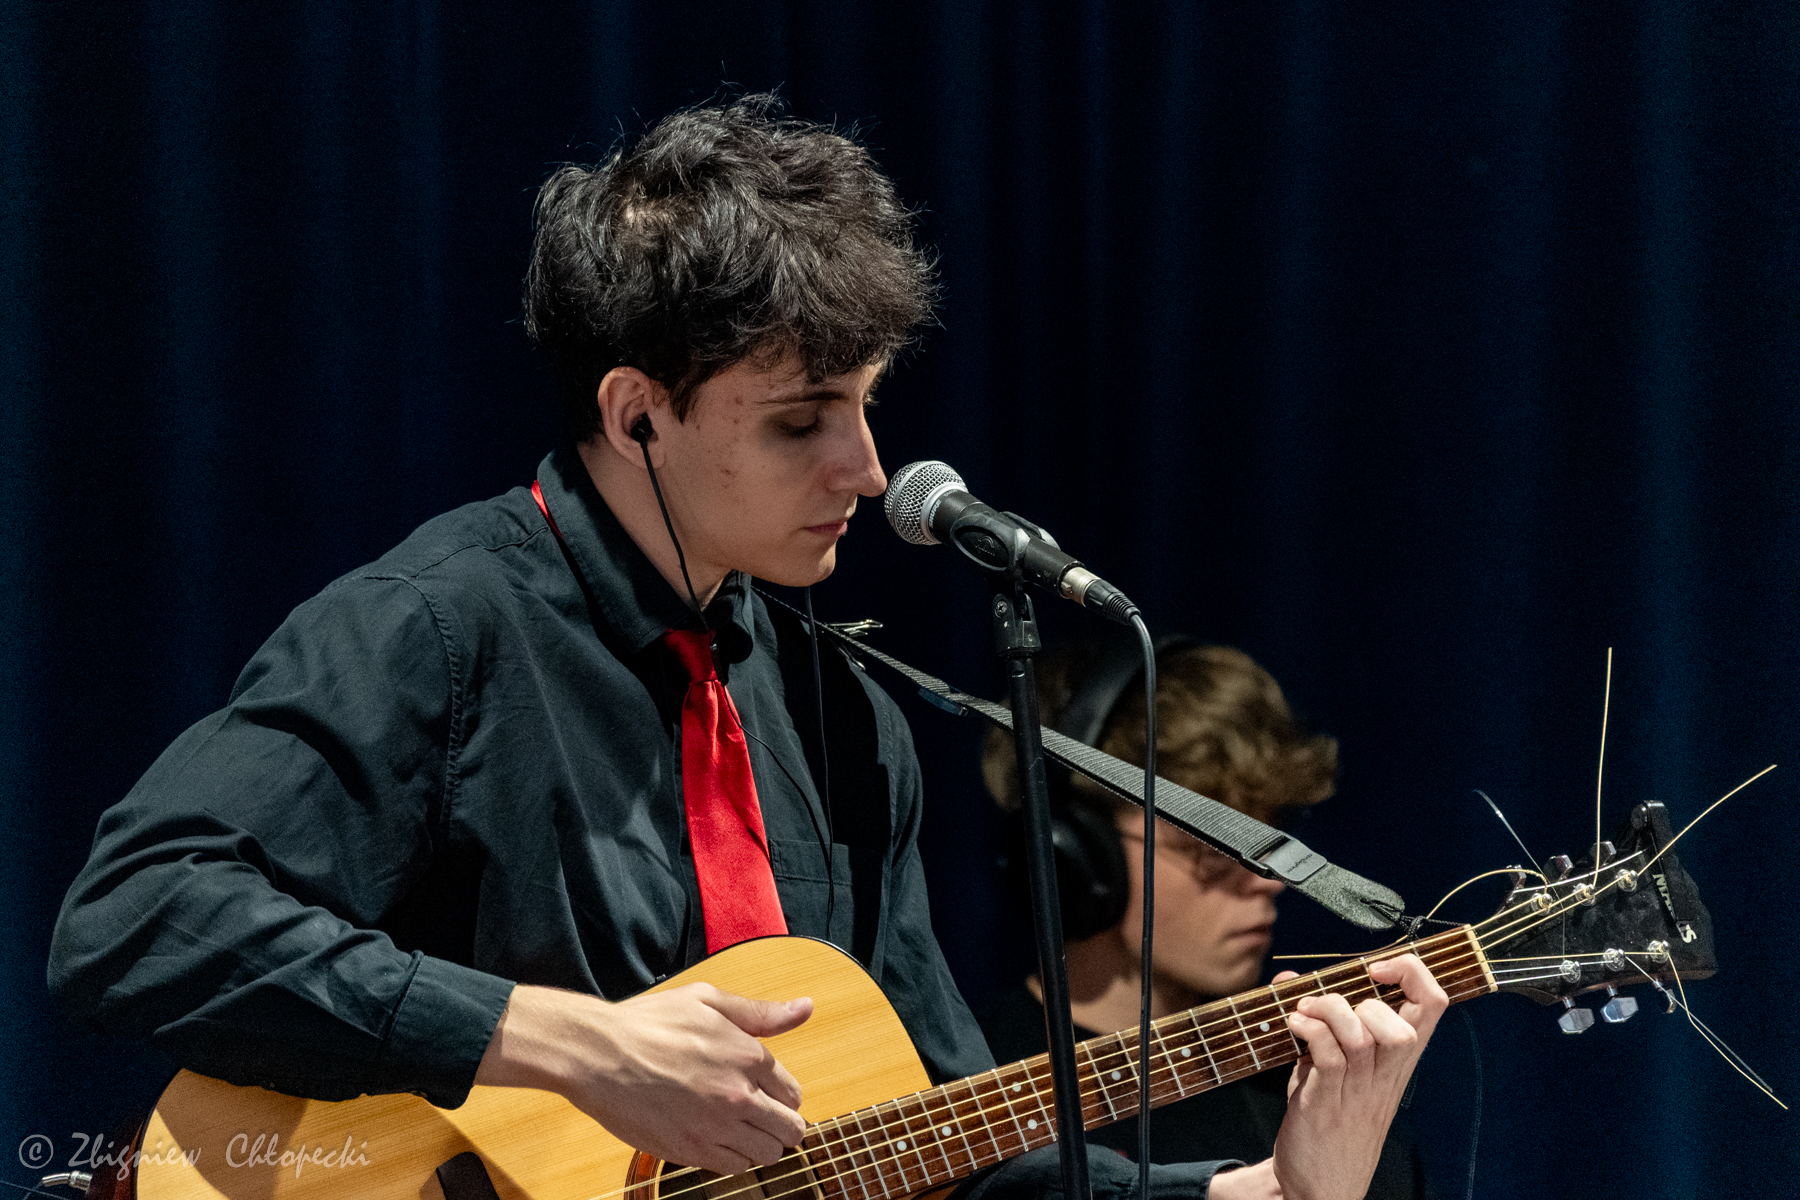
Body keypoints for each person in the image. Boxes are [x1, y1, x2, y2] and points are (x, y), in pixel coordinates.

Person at [47, 96, 1444, 1200]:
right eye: (801, 420)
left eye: (868, 407)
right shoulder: (438, 626)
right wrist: (574, 1047)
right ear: (637, 413)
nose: (867, 469)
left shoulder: (845, 714)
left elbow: (939, 1149)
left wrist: (1264, 1190)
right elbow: (136, 920)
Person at [979, 636, 1430, 1199]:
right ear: (1073, 850)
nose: (1269, 880)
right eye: (1215, 848)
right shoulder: (944, 1090)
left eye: (1269, 841)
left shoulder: (1319, 1107)